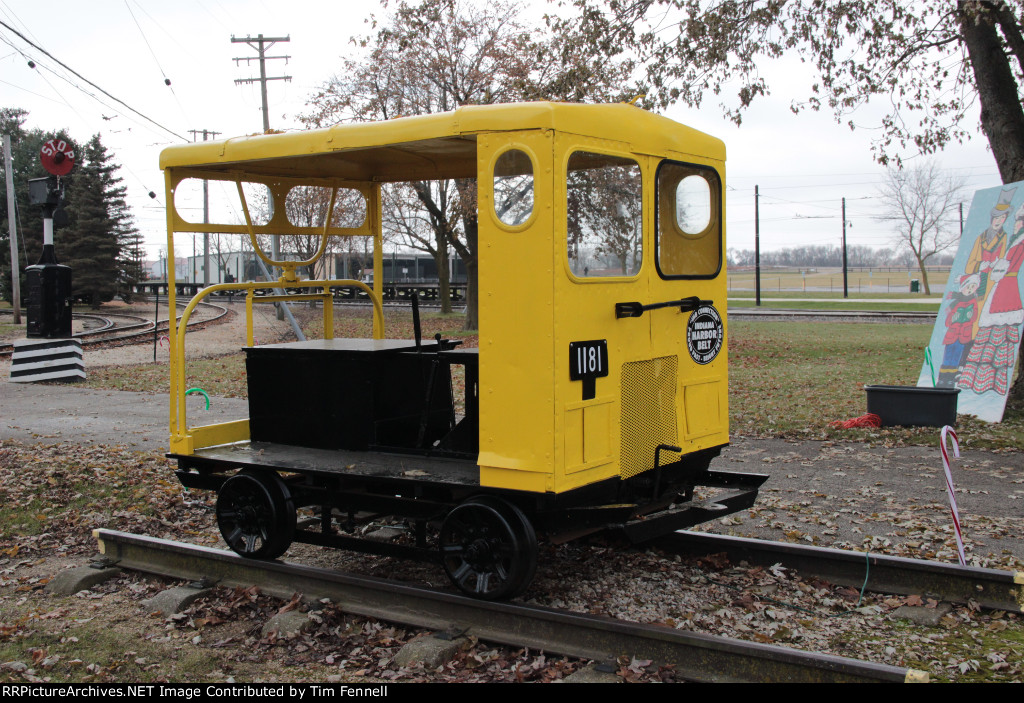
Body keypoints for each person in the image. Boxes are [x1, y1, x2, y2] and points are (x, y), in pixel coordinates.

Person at [959, 202, 1024, 395]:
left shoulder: (1015, 242)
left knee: (997, 339)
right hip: (996, 288)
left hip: (1005, 294)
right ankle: (980, 380)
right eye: (997, 218)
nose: (1013, 223)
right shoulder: (1001, 239)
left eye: (1013, 219)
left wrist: (994, 267)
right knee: (988, 337)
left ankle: (989, 381)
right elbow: (973, 261)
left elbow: (1005, 267)